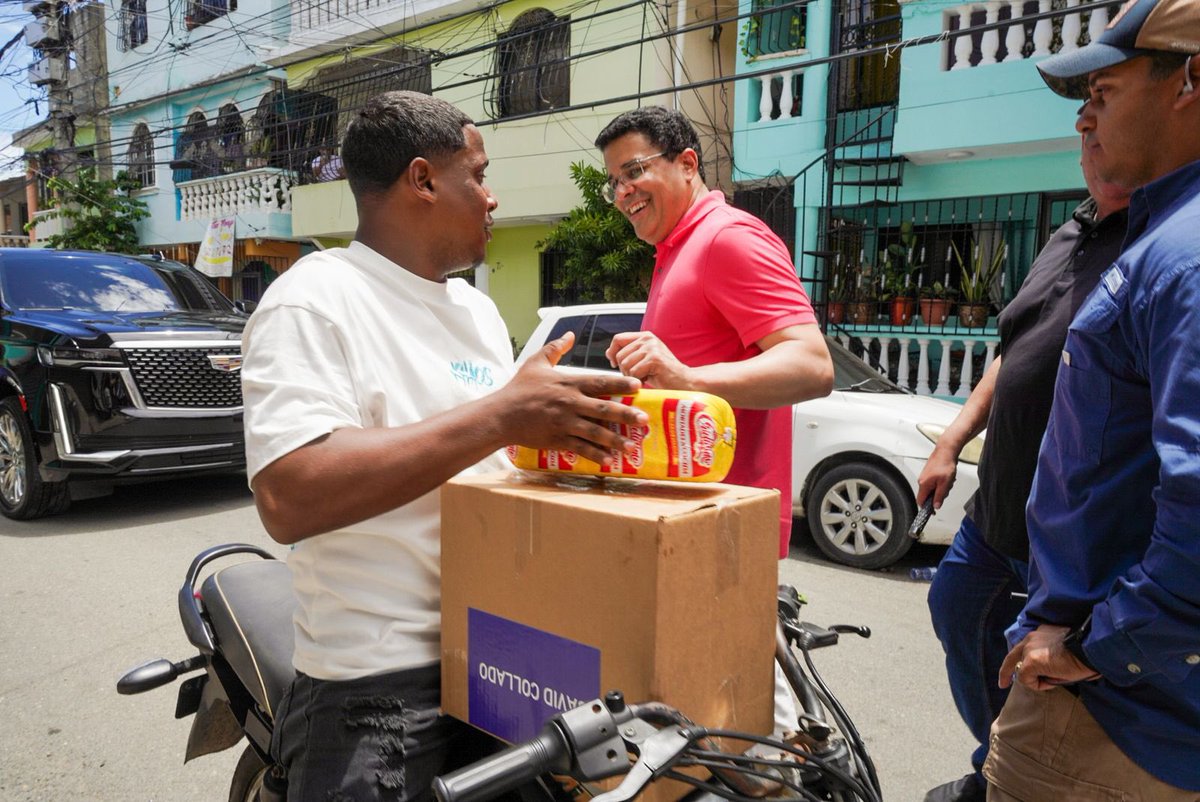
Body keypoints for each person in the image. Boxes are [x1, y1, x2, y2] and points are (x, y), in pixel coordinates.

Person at [241, 91, 648, 802]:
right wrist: (501, 416)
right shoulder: (314, 299)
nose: (492, 198)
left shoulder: (477, 312)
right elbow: (290, 494)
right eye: (480, 175)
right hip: (377, 677)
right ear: (423, 180)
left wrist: (563, 436)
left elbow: (483, 455)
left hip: (503, 651)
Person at [985, 0, 1200, 797]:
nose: (1088, 117)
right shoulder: (1158, 234)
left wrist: (1098, 648)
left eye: (1104, 93)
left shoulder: (1182, 256)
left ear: (1191, 80)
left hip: (1115, 717)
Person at [595, 107, 833, 734]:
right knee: (708, 716)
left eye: (634, 171)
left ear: (687, 162)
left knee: (754, 725)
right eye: (612, 181)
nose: (622, 193)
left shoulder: (729, 237)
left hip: (729, 527)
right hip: (691, 524)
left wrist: (688, 377)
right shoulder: (675, 249)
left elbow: (812, 364)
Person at [917, 128, 1131, 802]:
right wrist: (951, 440)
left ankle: (1012, 773)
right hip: (998, 512)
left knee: (1050, 678)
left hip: (1070, 536)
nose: (1084, 129)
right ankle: (998, 760)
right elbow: (1014, 349)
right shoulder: (1071, 230)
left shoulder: (1157, 244)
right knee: (955, 607)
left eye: (1106, 105)